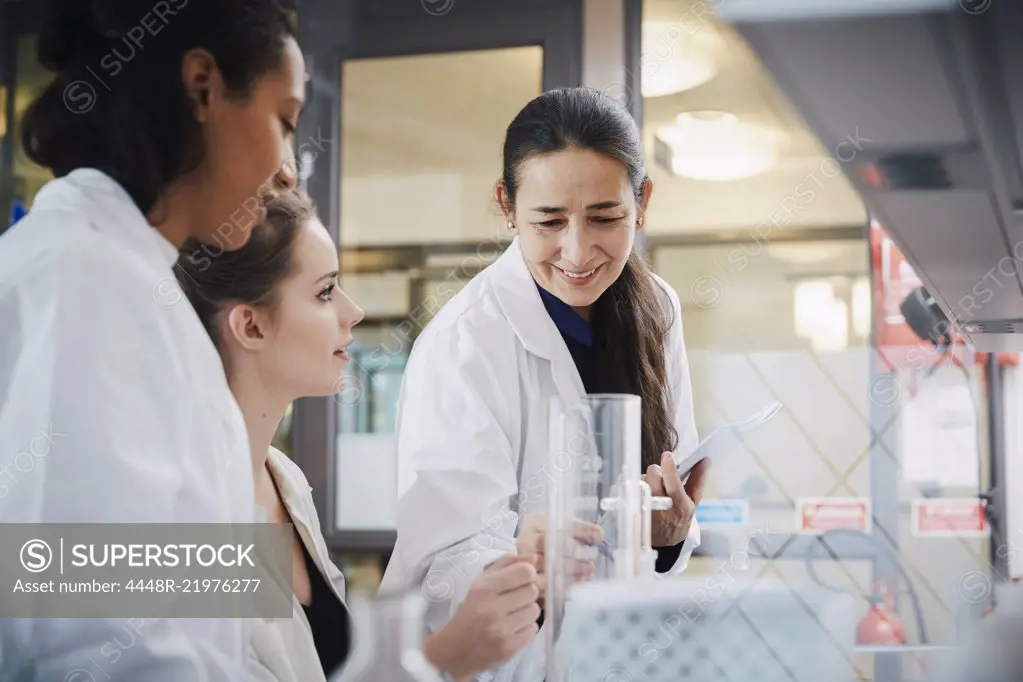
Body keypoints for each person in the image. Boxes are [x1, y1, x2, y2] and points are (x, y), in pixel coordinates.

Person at [0, 1, 306, 679]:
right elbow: (82, 633)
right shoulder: (89, 275)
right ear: (202, 87)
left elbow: (153, 584)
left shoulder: (127, 273)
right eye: (283, 121)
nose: (288, 168)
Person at [380, 87, 711, 679]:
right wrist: (525, 563)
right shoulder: (464, 341)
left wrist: (665, 535)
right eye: (548, 221)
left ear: (644, 201)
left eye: (606, 218)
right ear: (507, 206)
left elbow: (664, 496)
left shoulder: (656, 308)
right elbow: (443, 568)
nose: (577, 250)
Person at [174, 190, 543, 682]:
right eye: (326, 292)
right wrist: (446, 658)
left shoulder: (284, 481)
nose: (354, 311)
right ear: (251, 326)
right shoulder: (184, 519)